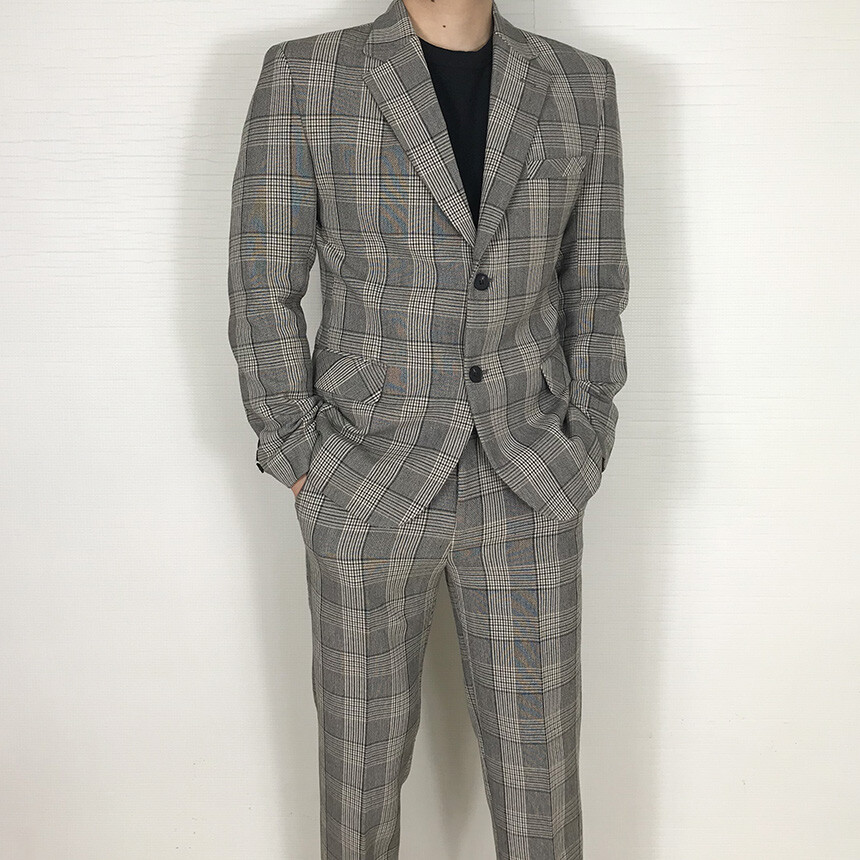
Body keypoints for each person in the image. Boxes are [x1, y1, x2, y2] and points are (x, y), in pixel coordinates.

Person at [227, 0, 629, 856]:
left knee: (541, 794)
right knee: (359, 787)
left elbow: (596, 285)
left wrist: (586, 439)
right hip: (363, 479)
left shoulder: (579, 84)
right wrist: (299, 457)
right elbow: (261, 285)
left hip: (529, 478)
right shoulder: (307, 76)